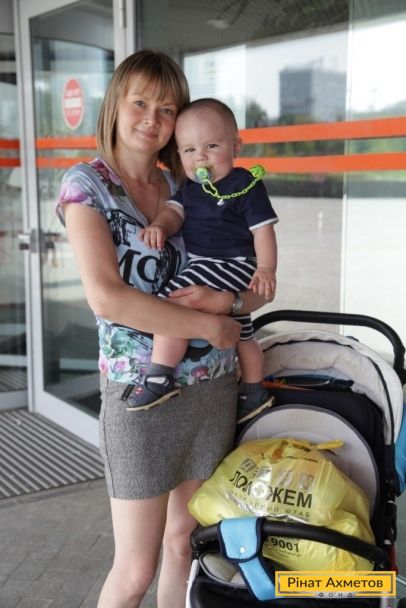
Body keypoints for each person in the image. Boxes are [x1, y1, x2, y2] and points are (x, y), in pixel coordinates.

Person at [55, 50, 270, 608]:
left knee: (184, 545)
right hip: (141, 396)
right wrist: (209, 325)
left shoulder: (190, 181)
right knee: (134, 570)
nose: (152, 118)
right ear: (116, 105)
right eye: (140, 103)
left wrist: (229, 302)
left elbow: (257, 279)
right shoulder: (87, 186)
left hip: (212, 388)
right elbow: (107, 297)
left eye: (167, 108)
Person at [137, 98, 278, 425]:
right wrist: (160, 226)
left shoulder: (245, 184)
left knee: (172, 304)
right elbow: (173, 214)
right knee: (244, 333)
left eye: (211, 146)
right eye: (189, 150)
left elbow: (263, 230)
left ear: (235, 147)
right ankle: (254, 392)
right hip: (209, 265)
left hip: (233, 262)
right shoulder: (189, 188)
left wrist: (266, 268)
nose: (199, 157)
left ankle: (160, 374)